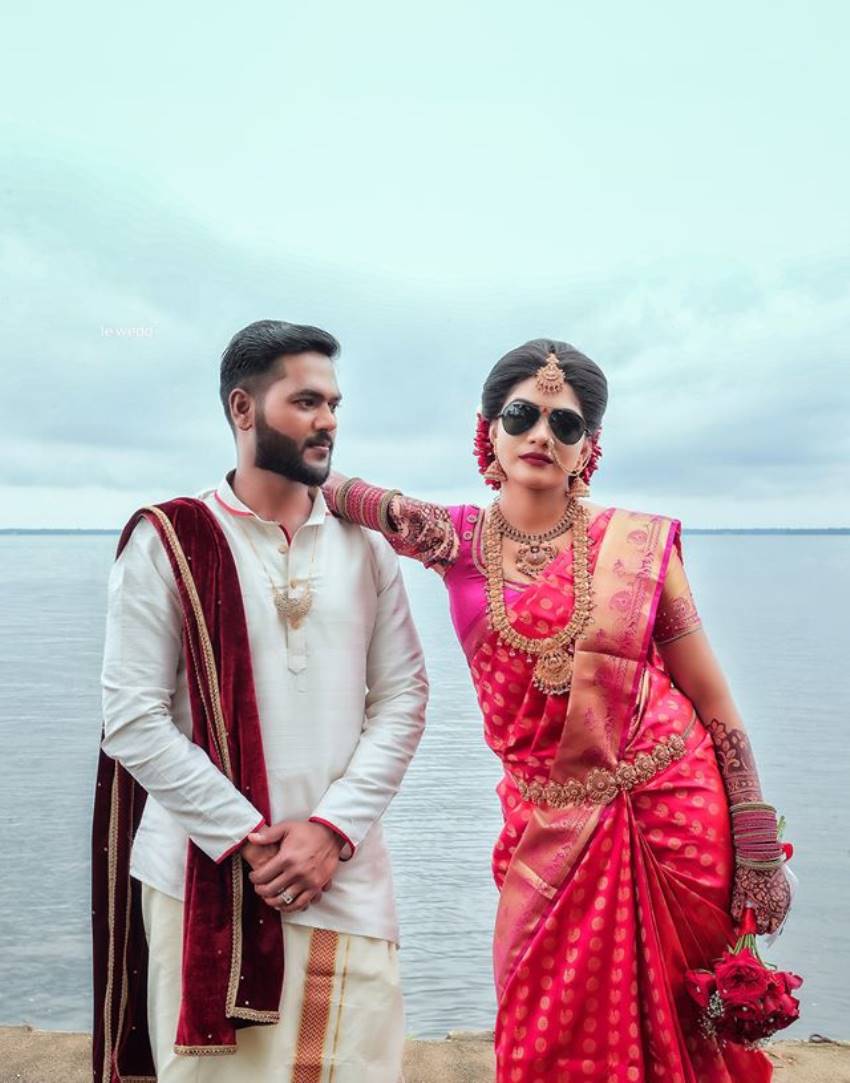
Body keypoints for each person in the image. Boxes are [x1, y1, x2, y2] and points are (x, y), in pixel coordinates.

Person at [322, 337, 793, 1083]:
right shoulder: (454, 538)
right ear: (489, 432)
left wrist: (758, 843)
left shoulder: (635, 546)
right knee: (543, 1025)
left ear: (588, 449)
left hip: (672, 815)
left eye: (565, 424)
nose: (542, 433)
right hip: (548, 824)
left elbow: (713, 698)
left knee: (688, 1030)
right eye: (521, 415)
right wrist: (281, 446)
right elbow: (342, 491)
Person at [92, 319, 428, 1083]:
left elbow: (405, 694)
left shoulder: (364, 545)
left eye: (335, 403)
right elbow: (132, 716)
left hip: (346, 875)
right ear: (244, 409)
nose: (329, 420)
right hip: (203, 877)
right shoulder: (172, 539)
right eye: (307, 400)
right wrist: (251, 838)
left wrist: (331, 830)